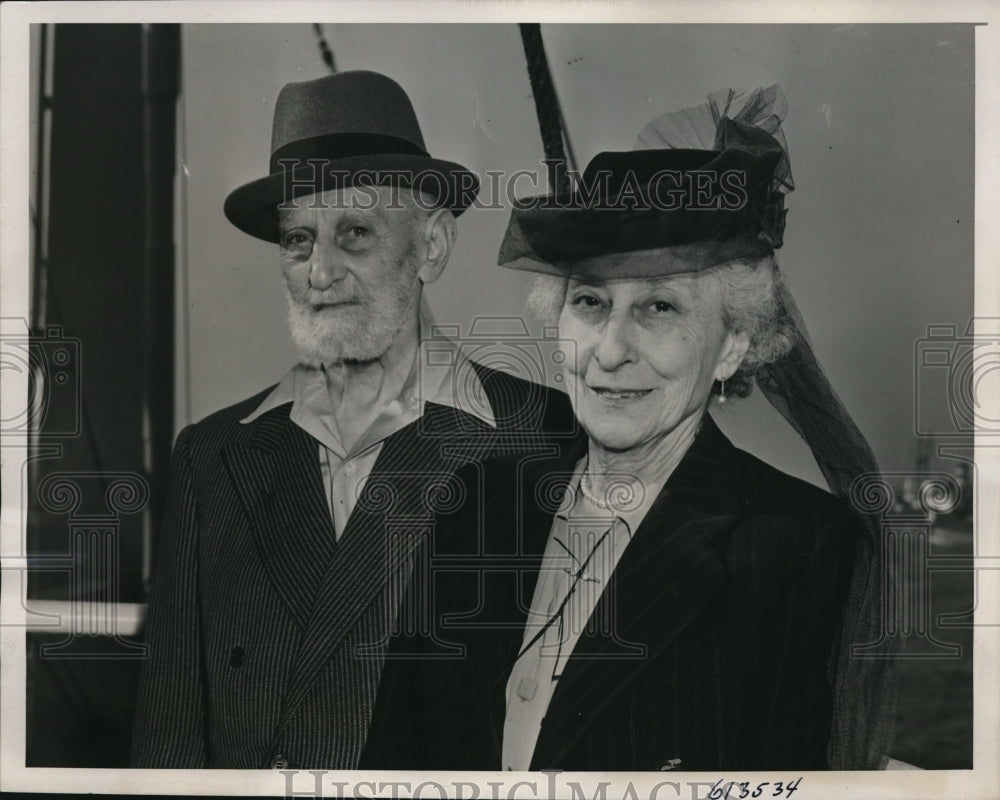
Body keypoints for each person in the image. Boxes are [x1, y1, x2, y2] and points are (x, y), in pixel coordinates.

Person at [361, 86, 894, 771]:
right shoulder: (478, 502)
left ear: (734, 343)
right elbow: (389, 762)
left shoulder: (795, 547)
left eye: (660, 307)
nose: (610, 351)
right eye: (590, 301)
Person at [131, 70, 574, 770]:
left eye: (356, 232)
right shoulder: (211, 457)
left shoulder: (545, 436)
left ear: (431, 247)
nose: (319, 272)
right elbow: (168, 743)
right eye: (298, 240)